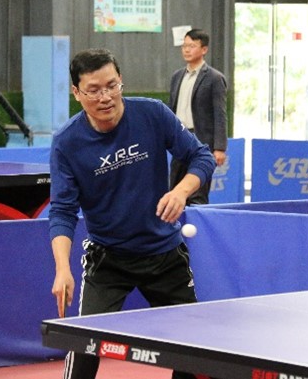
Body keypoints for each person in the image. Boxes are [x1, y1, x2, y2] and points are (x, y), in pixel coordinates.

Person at [48, 48, 216, 379]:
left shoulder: (152, 114)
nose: (105, 97)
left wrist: (181, 191)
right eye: (94, 90)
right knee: (84, 345)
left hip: (165, 254)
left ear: (120, 80)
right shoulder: (67, 142)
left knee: (193, 348)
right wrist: (62, 269)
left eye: (112, 85)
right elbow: (63, 210)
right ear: (76, 93)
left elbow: (202, 157)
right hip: (108, 259)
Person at [169, 28, 228, 205]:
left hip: (201, 142)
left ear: (204, 49)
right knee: (175, 189)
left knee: (197, 194)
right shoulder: (177, 76)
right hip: (179, 138)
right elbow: (171, 109)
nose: (186, 50)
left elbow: (220, 113)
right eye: (184, 46)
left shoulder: (214, 78)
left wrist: (219, 148)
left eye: (192, 46)